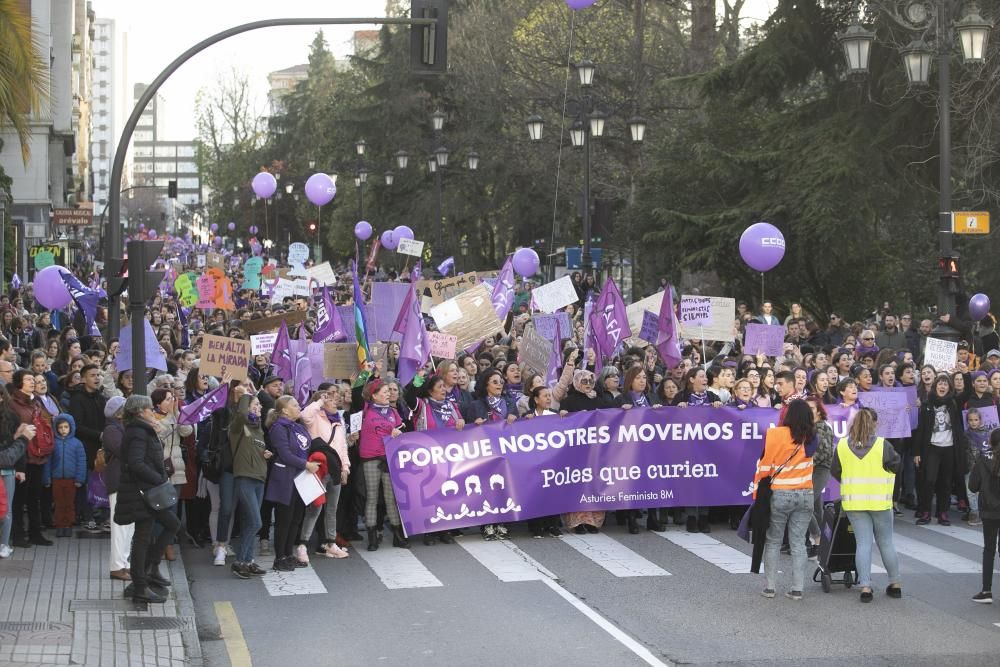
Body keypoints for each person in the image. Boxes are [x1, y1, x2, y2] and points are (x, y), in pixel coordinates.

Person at [114, 395, 181, 604]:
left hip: (146, 491)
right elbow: (136, 463)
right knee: (142, 538)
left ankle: (149, 571)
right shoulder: (138, 432)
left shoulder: (143, 430)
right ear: (140, 411)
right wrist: (159, 480)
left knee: (169, 526)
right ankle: (140, 586)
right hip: (142, 493)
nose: (152, 411)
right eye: (150, 408)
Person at [755, 399, 815, 601]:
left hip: (780, 493)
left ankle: (770, 588)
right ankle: (797, 589)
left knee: (773, 541)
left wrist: (758, 494)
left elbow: (765, 465)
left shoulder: (775, 434)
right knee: (798, 543)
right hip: (805, 493)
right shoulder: (811, 437)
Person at [264, 395, 319, 571]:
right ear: (285, 410)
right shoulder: (278, 428)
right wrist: (306, 464)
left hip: (301, 478)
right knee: (284, 519)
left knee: (296, 519)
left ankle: (288, 554)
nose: (299, 407)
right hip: (285, 478)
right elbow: (286, 455)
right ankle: (279, 557)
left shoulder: (297, 426)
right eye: (295, 405)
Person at [409, 373, 464, 545]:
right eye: (440, 387)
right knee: (429, 494)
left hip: (448, 457)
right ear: (430, 390)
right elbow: (408, 396)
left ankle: (445, 530)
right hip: (427, 456)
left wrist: (462, 422)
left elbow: (461, 423)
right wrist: (417, 379)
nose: (444, 390)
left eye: (444, 387)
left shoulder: (452, 405)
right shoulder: (422, 405)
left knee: (446, 493)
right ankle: (429, 531)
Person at [300, 386, 350, 558]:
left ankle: (331, 542)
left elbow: (342, 446)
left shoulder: (338, 420)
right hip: (319, 469)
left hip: (335, 469)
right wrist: (320, 400)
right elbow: (304, 415)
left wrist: (345, 467)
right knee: (315, 508)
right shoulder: (315, 417)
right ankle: (303, 544)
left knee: (332, 509)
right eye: (331, 399)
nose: (335, 401)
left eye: (336, 399)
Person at [357, 379, 407, 550]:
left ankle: (398, 535)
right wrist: (368, 373)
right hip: (370, 458)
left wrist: (398, 433)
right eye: (385, 392)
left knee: (390, 498)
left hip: (389, 457)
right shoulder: (365, 410)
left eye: (389, 391)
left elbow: (402, 429)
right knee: (372, 497)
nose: (389, 394)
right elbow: (358, 389)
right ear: (374, 395)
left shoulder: (393, 411)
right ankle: (371, 537)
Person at [227, 385, 270, 579]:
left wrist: (264, 454)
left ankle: (248, 560)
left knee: (249, 523)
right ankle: (239, 562)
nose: (259, 407)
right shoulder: (238, 425)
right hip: (245, 478)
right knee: (256, 521)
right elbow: (242, 413)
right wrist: (245, 395)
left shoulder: (257, 428)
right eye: (256, 404)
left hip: (259, 479)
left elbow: (255, 448)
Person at [914, 374, 966, 526]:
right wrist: (917, 452)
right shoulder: (927, 405)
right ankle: (925, 512)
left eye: (945, 384)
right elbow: (921, 429)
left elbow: (968, 391)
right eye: (940, 384)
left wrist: (964, 373)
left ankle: (942, 513)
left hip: (949, 448)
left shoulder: (954, 403)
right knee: (929, 480)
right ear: (935, 387)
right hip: (932, 448)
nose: (942, 387)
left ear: (949, 388)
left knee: (945, 482)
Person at [100, 395, 133, 581]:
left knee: (129, 526)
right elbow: (123, 451)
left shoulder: (122, 427)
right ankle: (117, 566)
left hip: (126, 481)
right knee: (119, 526)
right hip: (118, 480)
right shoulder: (112, 429)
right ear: (119, 413)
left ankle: (125, 563)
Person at [525, 386, 563, 538]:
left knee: (552, 493)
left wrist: (565, 418)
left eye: (549, 396)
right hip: (533, 462)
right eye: (545, 396)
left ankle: (553, 524)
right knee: (535, 493)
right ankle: (536, 526)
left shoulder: (555, 415)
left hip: (551, 461)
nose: (548, 398)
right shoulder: (527, 416)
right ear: (536, 399)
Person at [41, 414, 86, 538]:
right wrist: (47, 478)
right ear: (56, 428)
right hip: (56, 479)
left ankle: (68, 525)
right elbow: (47, 462)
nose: (63, 430)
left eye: (66, 427)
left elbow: (81, 462)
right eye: (60, 427)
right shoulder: (53, 443)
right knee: (59, 503)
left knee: (69, 503)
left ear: (71, 427)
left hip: (71, 479)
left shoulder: (77, 443)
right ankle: (60, 525)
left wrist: (80, 479)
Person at [969, 429, 1000, 604]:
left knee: (989, 550)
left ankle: (986, 590)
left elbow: (973, 486)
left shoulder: (983, 459)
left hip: (989, 510)